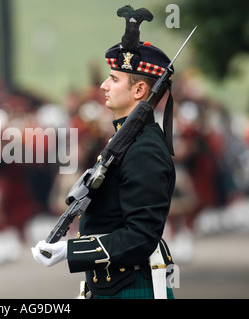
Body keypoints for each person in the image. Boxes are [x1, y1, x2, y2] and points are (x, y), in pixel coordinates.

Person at [32, 5, 177, 299]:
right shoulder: (128, 138)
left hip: (131, 288)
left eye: (114, 78)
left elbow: (141, 236)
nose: (103, 85)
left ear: (138, 91)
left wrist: (71, 251)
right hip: (111, 286)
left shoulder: (145, 148)